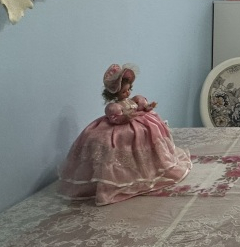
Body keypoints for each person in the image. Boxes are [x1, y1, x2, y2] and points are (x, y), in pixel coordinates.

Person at [57, 63, 191, 205]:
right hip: (124, 124)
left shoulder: (134, 100)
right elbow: (116, 119)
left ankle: (151, 168)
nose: (127, 93)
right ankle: (124, 177)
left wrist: (148, 107)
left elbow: (141, 107)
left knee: (150, 129)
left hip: (138, 121)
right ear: (114, 94)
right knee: (119, 140)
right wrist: (125, 117)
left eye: (129, 90)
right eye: (124, 92)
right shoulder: (115, 107)